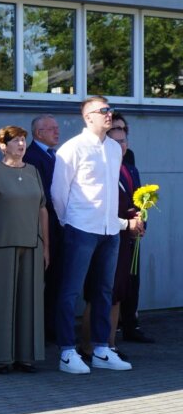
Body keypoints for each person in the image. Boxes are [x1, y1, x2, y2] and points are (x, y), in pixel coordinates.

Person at [51, 96, 141, 374]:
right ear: (88, 116)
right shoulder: (72, 148)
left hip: (109, 231)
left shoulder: (114, 148)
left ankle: (101, 349)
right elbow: (58, 192)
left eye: (109, 109)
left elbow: (111, 191)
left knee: (104, 291)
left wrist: (116, 223)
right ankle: (67, 352)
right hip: (81, 228)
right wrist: (70, 221)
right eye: (103, 110)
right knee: (70, 291)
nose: (109, 114)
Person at [0, 126, 48, 374]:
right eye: (15, 140)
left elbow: (42, 210)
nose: (21, 144)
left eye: (23, 140)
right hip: (2, 244)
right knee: (3, 302)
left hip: (32, 244)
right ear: (2, 146)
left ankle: (26, 357)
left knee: (30, 302)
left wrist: (46, 246)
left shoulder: (33, 171)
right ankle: (4, 358)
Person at [78, 124, 141, 362]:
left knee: (117, 293)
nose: (121, 146)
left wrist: (139, 220)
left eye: (124, 141)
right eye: (116, 141)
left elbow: (133, 200)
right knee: (100, 292)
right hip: (103, 236)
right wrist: (126, 223)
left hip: (123, 238)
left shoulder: (127, 169)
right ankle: (88, 346)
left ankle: (110, 345)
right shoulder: (101, 170)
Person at [112, 114, 153, 343]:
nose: (121, 143)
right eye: (115, 133)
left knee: (133, 278)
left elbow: (138, 196)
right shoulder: (106, 165)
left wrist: (141, 221)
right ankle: (111, 330)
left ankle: (131, 324)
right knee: (116, 282)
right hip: (116, 230)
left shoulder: (130, 165)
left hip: (133, 230)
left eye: (123, 135)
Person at [22, 114, 62, 343]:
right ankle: (40, 330)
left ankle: (50, 327)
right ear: (38, 133)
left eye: (57, 128)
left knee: (56, 279)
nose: (57, 132)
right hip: (43, 227)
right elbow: (43, 195)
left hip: (58, 226)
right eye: (51, 128)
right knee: (42, 279)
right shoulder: (32, 157)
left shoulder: (55, 155)